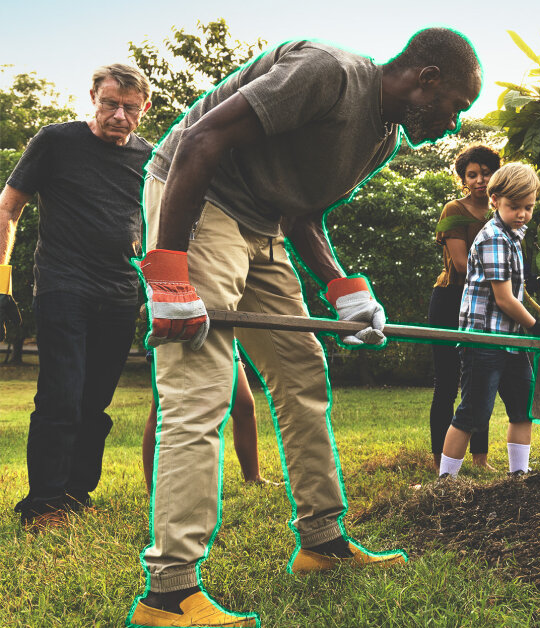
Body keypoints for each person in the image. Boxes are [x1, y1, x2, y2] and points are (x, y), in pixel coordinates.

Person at [129, 28, 482, 627]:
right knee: (202, 387)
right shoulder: (329, 72)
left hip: (263, 223)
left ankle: (322, 542)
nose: (453, 124)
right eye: (456, 105)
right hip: (199, 198)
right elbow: (200, 138)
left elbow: (301, 212)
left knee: (302, 373)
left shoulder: (382, 139)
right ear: (427, 79)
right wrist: (169, 273)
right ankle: (167, 595)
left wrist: (345, 290)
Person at [0, 64, 153, 531]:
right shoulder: (56, 140)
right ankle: (44, 503)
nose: (119, 115)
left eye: (130, 107)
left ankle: (75, 493)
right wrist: (0, 281)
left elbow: (157, 224)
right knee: (61, 395)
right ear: (93, 97)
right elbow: (9, 206)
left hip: (122, 291)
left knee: (95, 402)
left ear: (145, 109)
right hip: (63, 284)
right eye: (110, 104)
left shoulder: (151, 157)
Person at [438, 162, 540, 478]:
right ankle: (445, 480)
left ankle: (518, 476)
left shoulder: (513, 235)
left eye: (528, 207)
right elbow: (504, 298)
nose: (522, 214)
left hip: (510, 340)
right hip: (485, 340)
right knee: (472, 414)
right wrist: (537, 328)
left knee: (523, 410)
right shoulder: (494, 236)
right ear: (494, 200)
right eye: (514, 207)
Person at [428, 144, 501, 472]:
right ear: (463, 180)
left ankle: (480, 459)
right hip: (450, 300)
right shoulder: (453, 210)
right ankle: (438, 459)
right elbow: (460, 264)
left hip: (487, 302)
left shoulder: (502, 211)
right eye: (472, 175)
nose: (480, 180)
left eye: (485, 173)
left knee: (481, 379)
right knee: (446, 382)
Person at [141, 349, 269, 492]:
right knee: (160, 409)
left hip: (222, 337)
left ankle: (253, 477)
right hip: (175, 337)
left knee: (244, 404)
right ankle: (153, 489)